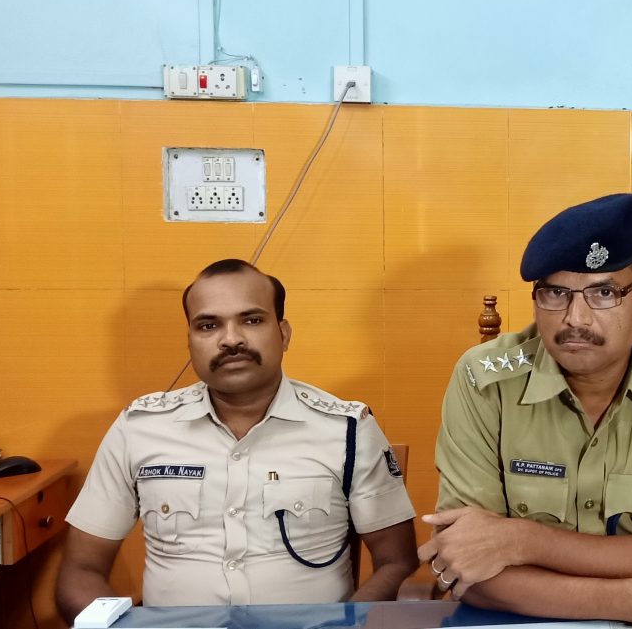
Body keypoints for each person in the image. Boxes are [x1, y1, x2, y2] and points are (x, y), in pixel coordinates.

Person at [421, 193, 632, 623]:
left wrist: (521, 541)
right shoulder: (483, 381)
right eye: (556, 293)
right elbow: (468, 565)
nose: (576, 319)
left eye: (604, 292)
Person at [57, 259, 419, 621]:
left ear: (284, 334)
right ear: (190, 341)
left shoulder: (346, 428)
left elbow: (396, 563)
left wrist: (347, 626)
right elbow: (81, 570)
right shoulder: (139, 428)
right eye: (208, 325)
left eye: (252, 320)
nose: (231, 339)